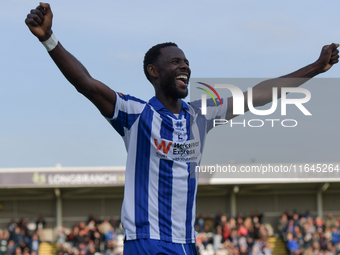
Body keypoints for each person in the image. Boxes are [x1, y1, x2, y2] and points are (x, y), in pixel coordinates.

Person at [25, 3, 339, 255]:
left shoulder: (200, 115)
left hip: (187, 243)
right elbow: (87, 85)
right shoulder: (137, 113)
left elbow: (261, 94)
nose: (185, 66)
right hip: (147, 241)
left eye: (186, 62)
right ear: (153, 71)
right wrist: (49, 39)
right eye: (175, 62)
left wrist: (315, 67)